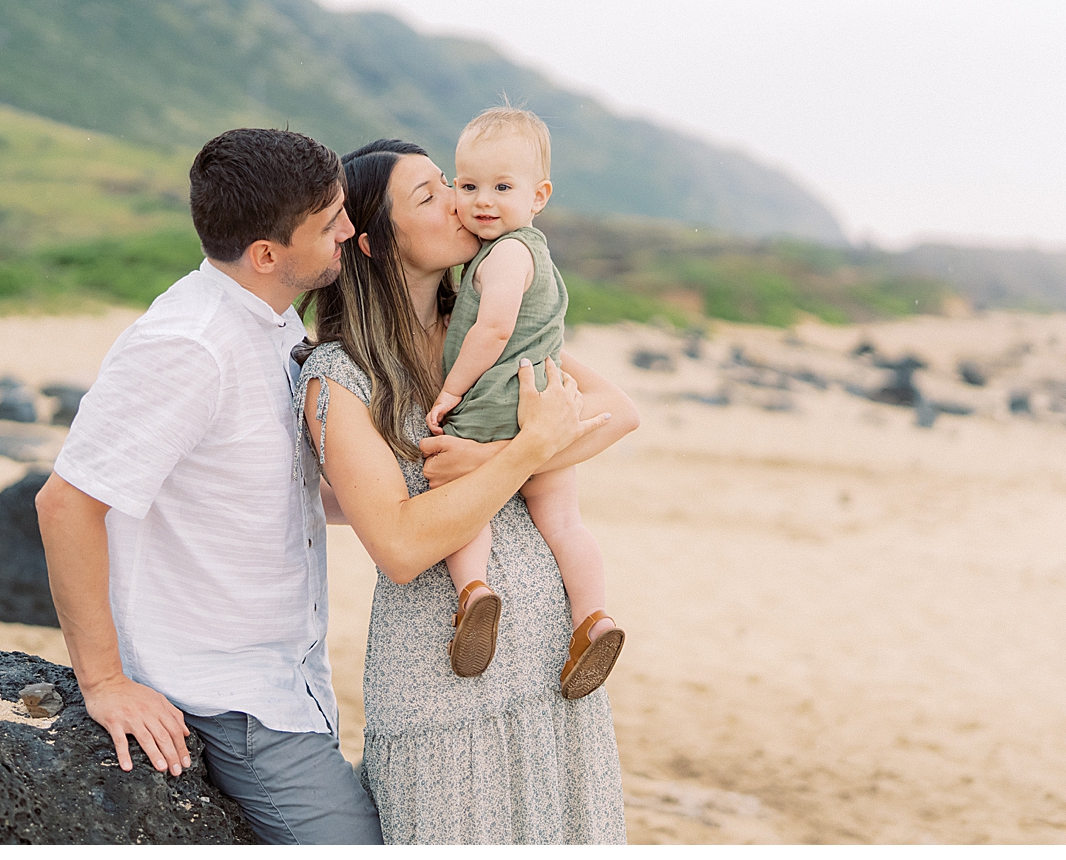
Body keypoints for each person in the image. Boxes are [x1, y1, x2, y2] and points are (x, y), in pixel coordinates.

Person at [33, 128, 385, 845]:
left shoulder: (268, 316)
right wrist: (103, 682)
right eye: (330, 222)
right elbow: (66, 503)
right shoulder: (188, 345)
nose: (350, 229)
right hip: (228, 698)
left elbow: (261, 487)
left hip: (288, 680)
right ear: (266, 254)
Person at [294, 138, 638, 843]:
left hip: (551, 664)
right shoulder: (339, 377)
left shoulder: (484, 326)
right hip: (439, 681)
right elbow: (399, 545)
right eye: (428, 194)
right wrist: (527, 452)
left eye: (447, 181)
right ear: (372, 242)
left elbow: (619, 411)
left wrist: (502, 452)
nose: (460, 200)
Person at [425, 106, 625, 697]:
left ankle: (475, 593)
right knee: (564, 522)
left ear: (538, 196)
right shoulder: (539, 257)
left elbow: (492, 330)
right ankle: (593, 619)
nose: (482, 200)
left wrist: (451, 389)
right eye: (468, 186)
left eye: (502, 187)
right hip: (546, 410)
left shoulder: (505, 255)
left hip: (494, 409)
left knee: (464, 501)